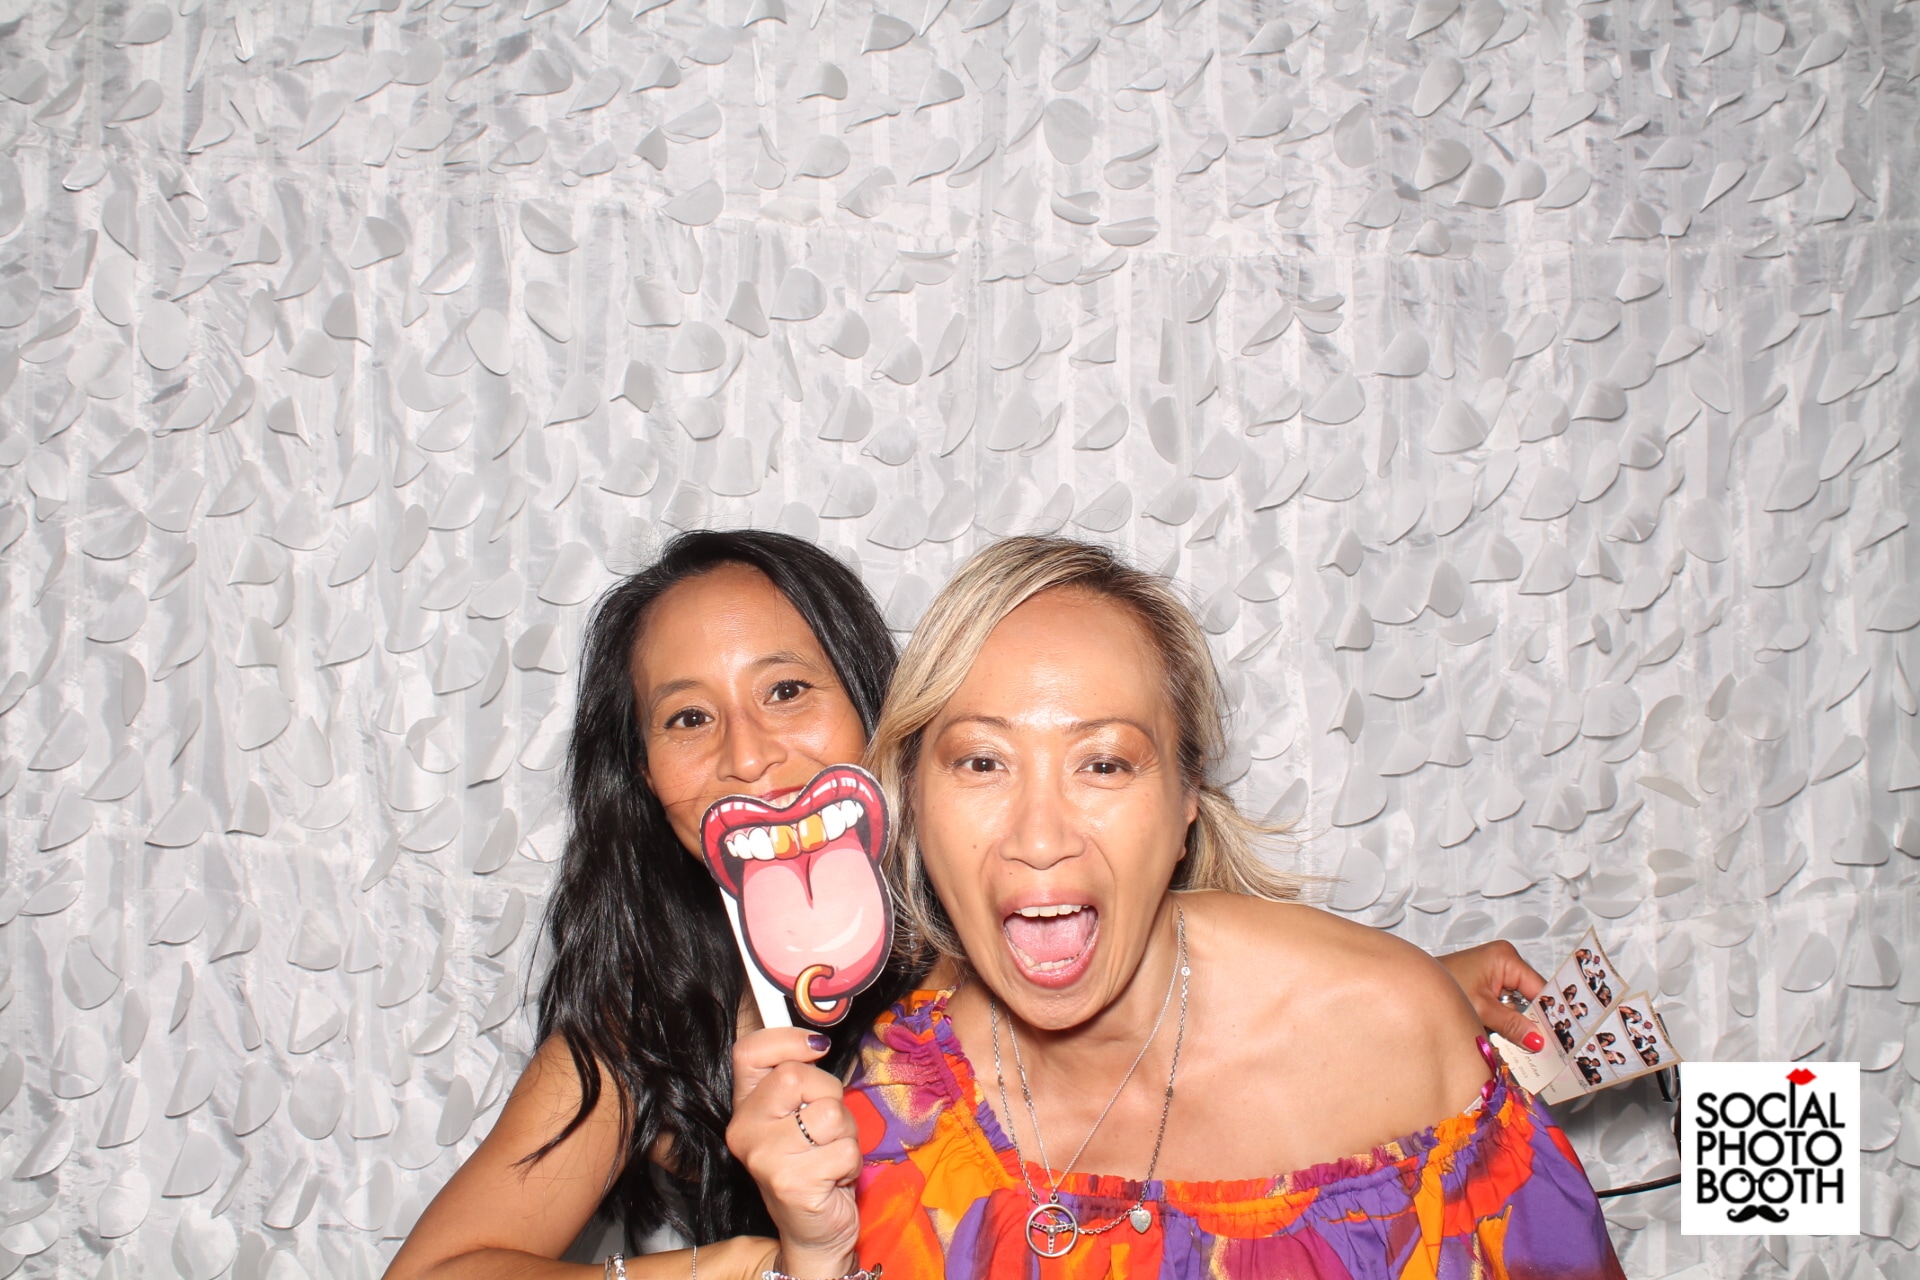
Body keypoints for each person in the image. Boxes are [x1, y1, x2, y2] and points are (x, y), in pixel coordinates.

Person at [387, 530, 1555, 1280]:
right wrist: (747, 1264)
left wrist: (1405, 998)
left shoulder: (985, 919)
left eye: (788, 689)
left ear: (883, 722)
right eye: (688, 716)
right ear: (644, 773)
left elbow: (1171, 977)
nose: (748, 753)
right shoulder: (648, 1021)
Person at [728, 537, 1622, 1280]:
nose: (1039, 836)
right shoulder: (900, 1108)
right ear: (915, 800)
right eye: (982, 763)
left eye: (1104, 763)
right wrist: (815, 1259)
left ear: (1188, 796)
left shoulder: (1395, 1034)